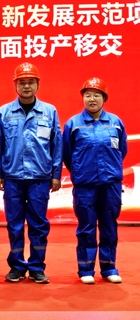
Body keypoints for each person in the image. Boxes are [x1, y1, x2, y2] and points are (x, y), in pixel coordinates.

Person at [0, 62, 62, 284]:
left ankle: (36, 267)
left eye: (30, 82)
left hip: (39, 178)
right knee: (14, 225)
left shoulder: (49, 112)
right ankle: (16, 267)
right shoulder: (4, 113)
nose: (26, 86)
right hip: (13, 177)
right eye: (22, 82)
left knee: (38, 225)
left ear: (38, 84)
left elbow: (57, 144)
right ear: (15, 85)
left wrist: (55, 174)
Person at [63, 78, 127, 284]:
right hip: (85, 186)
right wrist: (82, 171)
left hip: (111, 185)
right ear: (83, 98)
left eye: (97, 95)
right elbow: (67, 154)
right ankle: (86, 270)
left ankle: (109, 268)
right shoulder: (73, 124)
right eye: (88, 95)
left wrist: (110, 170)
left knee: (109, 226)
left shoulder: (116, 123)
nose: (92, 99)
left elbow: (122, 150)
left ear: (104, 98)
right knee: (86, 227)